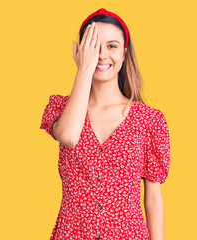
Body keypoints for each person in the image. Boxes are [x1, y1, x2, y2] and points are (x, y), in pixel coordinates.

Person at [39, 8, 171, 240]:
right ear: (81, 51)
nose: (101, 55)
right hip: (73, 234)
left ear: (124, 53)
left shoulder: (149, 120)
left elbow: (152, 197)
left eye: (111, 46)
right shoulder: (60, 109)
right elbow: (68, 136)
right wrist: (84, 70)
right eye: (93, 46)